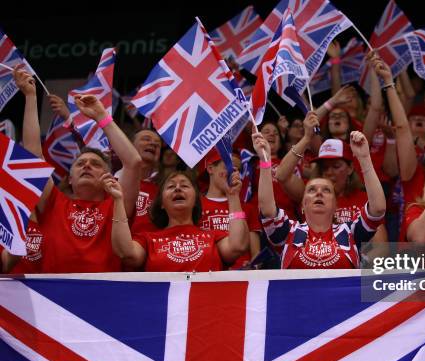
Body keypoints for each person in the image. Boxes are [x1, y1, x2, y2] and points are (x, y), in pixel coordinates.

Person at [14, 67, 142, 273]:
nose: (87, 166)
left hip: (101, 297)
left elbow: (133, 162)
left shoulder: (116, 205)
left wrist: (102, 117)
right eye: (80, 164)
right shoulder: (54, 203)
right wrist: (30, 97)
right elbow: (32, 158)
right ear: (70, 179)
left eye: (96, 164)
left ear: (108, 177)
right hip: (52, 298)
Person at [256, 129, 386, 269]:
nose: (319, 193)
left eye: (326, 190)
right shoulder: (289, 232)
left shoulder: (350, 232)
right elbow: (267, 209)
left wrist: (365, 158)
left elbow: (378, 209)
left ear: (335, 205)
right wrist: (265, 161)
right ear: (302, 206)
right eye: (311, 190)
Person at [105, 170, 249, 272]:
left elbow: (237, 246)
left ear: (196, 201)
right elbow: (126, 253)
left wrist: (233, 196)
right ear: (161, 203)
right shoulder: (148, 239)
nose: (178, 188)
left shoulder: (213, 237)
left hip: (206, 307)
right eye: (171, 186)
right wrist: (118, 200)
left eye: (185, 185)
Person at [199, 149, 260, 269]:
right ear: (210, 168)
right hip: (208, 273)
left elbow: (256, 254)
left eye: (237, 170)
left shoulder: (247, 208)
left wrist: (253, 267)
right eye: (228, 167)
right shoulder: (195, 206)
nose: (233, 173)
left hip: (240, 276)